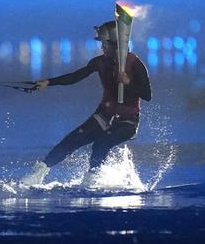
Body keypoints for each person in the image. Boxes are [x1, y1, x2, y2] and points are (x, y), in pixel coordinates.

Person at [21, 19, 152, 187]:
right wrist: (48, 82)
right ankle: (38, 173)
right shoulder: (99, 62)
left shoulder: (135, 64)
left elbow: (147, 95)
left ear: (115, 44)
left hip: (127, 121)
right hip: (104, 115)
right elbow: (76, 76)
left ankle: (93, 179)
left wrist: (128, 83)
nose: (102, 47)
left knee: (101, 144)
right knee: (71, 141)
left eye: (104, 43)